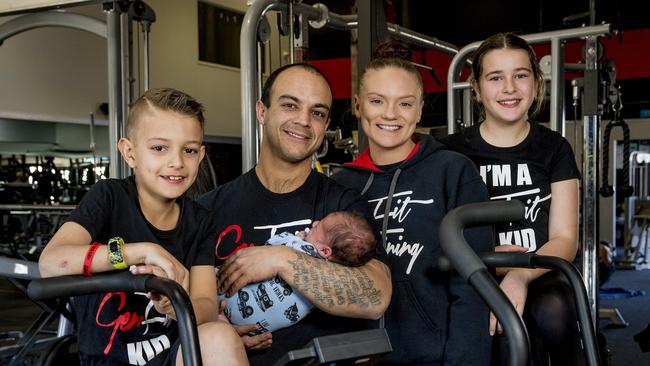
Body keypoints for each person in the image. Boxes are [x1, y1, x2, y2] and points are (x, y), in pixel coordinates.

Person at [197, 63, 392, 365]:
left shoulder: (340, 206)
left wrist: (281, 259)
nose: (303, 121)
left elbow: (376, 296)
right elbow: (184, 300)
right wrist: (220, 332)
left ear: (325, 124)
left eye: (317, 112)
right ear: (262, 111)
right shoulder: (209, 208)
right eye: (290, 105)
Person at [38, 88, 248, 366]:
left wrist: (176, 307)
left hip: (174, 358)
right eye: (159, 148)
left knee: (219, 336)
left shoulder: (200, 221)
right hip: (107, 360)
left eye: (189, 150)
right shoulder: (109, 198)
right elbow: (51, 263)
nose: (176, 162)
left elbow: (206, 307)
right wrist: (138, 252)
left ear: (201, 155)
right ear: (129, 152)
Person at [332, 40, 494, 365]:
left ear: (419, 110)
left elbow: (473, 283)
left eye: (404, 104)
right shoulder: (340, 185)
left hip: (433, 357)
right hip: (357, 356)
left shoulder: (453, 171)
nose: (390, 114)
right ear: (358, 105)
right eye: (377, 101)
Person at [442, 33, 582, 365]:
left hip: (539, 269)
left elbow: (565, 239)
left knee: (555, 312)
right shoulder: (450, 152)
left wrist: (520, 274)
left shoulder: (555, 148)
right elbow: (436, 230)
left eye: (520, 75)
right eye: (495, 77)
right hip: (474, 273)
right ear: (476, 87)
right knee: (502, 339)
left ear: (535, 81)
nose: (509, 88)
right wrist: (486, 264)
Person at [220, 211, 377, 333]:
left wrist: (296, 238)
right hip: (255, 327)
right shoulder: (330, 279)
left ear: (324, 250)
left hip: (228, 299)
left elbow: (271, 245)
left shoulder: (298, 247)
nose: (314, 223)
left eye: (317, 226)